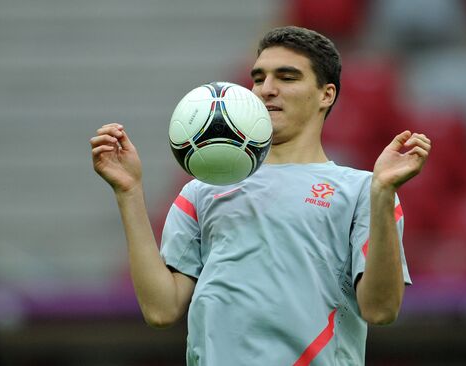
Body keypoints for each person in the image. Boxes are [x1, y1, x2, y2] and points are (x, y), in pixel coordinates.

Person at [90, 26, 431, 365]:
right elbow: (161, 309)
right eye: (258, 78)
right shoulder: (201, 189)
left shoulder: (361, 191)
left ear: (326, 94)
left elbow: (381, 309)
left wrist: (384, 193)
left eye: (287, 77)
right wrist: (129, 192)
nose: (266, 90)